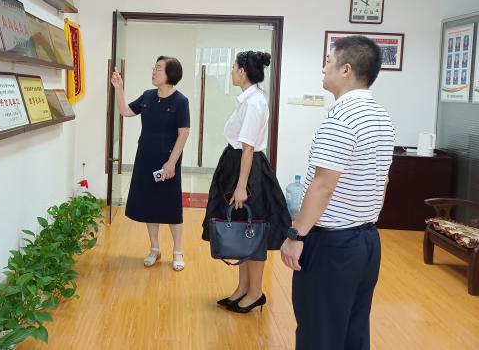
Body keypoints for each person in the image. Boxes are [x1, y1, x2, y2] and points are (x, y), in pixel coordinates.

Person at [280, 36, 395, 350]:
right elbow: (383, 180)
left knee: (319, 333)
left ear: (346, 69)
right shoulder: (381, 116)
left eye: (328, 61)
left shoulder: (341, 117)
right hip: (367, 241)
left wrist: (296, 235)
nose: (323, 67)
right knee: (352, 332)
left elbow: (323, 185)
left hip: (334, 245)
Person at [202, 50, 290, 313]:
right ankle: (242, 288)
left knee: (253, 230)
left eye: (233, 67)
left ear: (242, 71)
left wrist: (242, 186)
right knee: (242, 229)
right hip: (239, 165)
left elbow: (249, 147)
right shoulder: (249, 99)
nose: (231, 71)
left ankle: (255, 292)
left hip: (247, 170)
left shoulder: (254, 102)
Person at [111, 56, 190, 271]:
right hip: (146, 158)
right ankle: (155, 248)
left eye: (159, 68)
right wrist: (119, 88)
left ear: (171, 73)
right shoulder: (147, 96)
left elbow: (183, 134)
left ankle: (178, 251)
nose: (154, 72)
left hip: (168, 161)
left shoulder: (180, 101)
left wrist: (171, 163)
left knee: (171, 206)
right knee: (150, 205)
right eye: (154, 68)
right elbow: (126, 111)